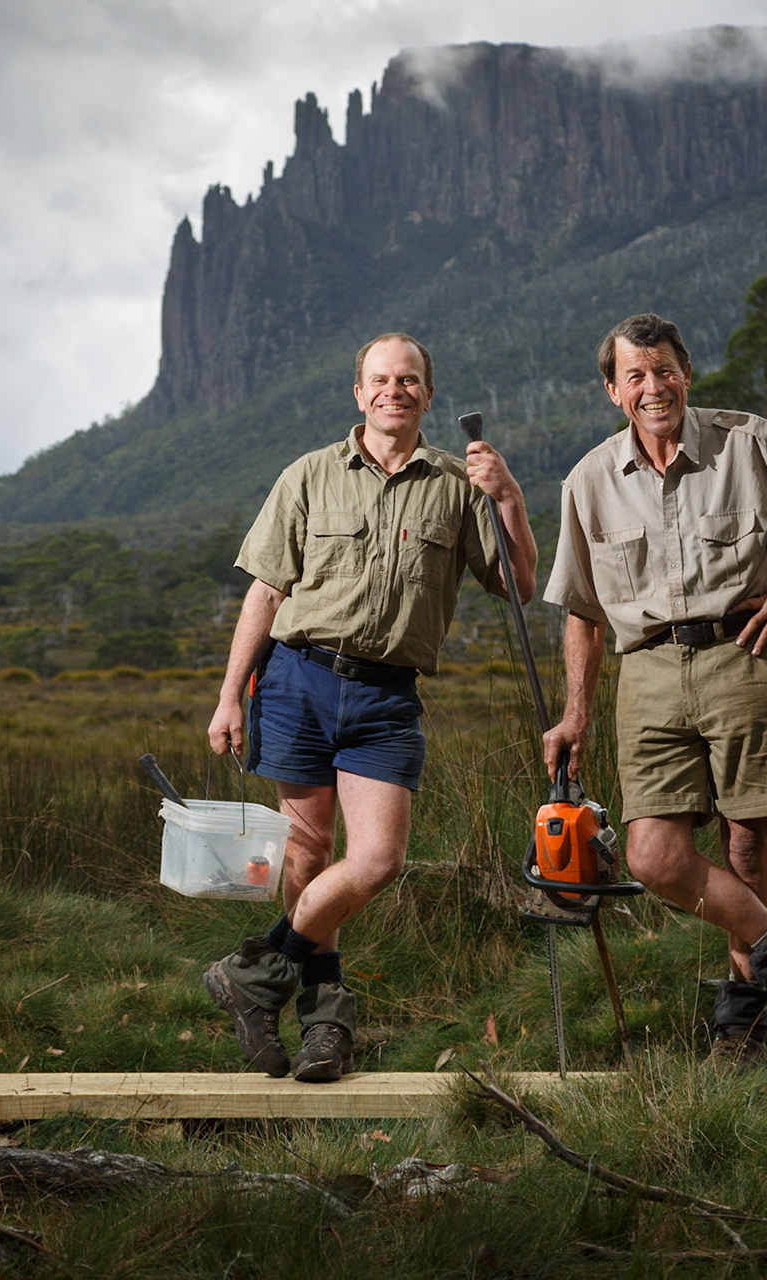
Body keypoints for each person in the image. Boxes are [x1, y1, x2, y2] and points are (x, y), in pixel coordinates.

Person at [541, 313, 767, 1064]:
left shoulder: (748, 443)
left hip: (741, 656)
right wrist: (576, 713)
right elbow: (581, 609)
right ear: (613, 391)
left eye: (663, 370)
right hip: (647, 673)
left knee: (746, 843)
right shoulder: (589, 481)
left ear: (686, 374)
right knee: (654, 857)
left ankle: (743, 1025)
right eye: (635, 375)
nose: (652, 387)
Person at [203, 332, 536, 1083]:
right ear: (359, 393)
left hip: (387, 694)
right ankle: (324, 1025)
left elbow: (516, 584)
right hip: (296, 678)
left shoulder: (458, 485)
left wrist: (508, 497)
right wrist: (229, 696)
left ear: (428, 393)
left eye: (410, 379)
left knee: (377, 860)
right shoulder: (310, 476)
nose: (396, 390)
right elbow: (265, 591)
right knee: (309, 856)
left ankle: (252, 976)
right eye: (381, 380)